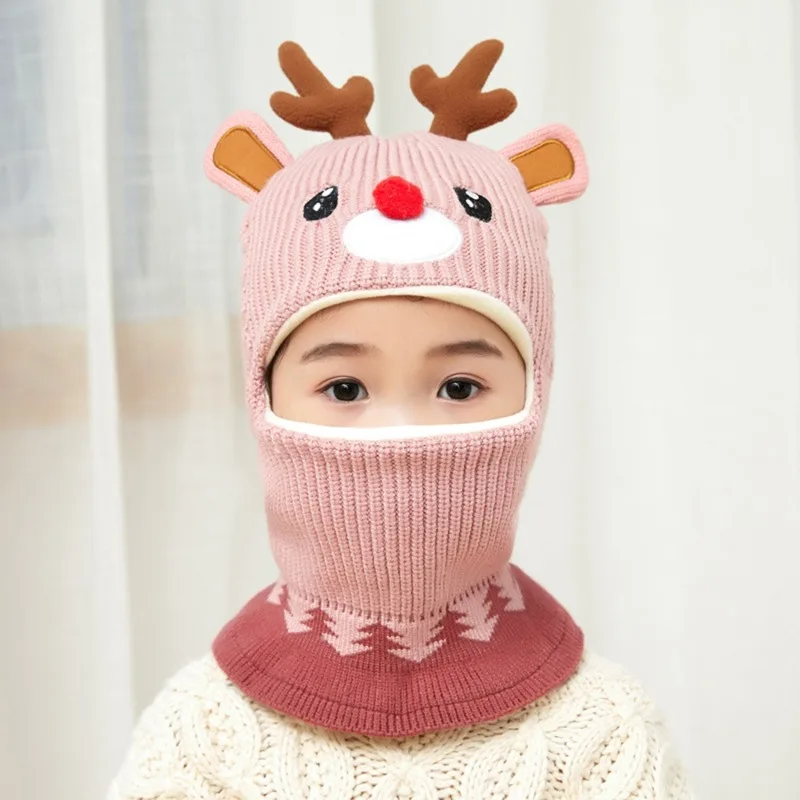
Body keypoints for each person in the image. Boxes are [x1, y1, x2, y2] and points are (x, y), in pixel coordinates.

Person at [109, 40, 694, 799]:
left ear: (536, 391)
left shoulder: (602, 730)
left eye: (459, 386)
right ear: (263, 395)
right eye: (345, 388)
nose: (400, 433)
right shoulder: (200, 733)